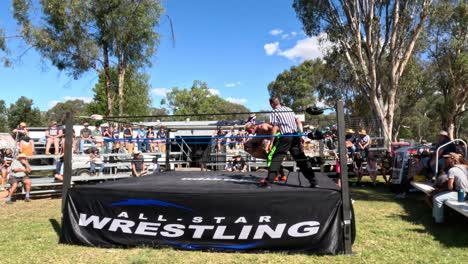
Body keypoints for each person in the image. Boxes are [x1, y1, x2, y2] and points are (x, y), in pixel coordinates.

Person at [261, 96, 316, 188]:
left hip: (286, 137)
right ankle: (313, 180)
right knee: (301, 159)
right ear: (279, 102)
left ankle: (268, 182)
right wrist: (301, 135)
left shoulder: (274, 112)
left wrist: (271, 142)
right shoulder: (289, 109)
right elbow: (298, 121)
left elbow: (275, 127)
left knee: (276, 158)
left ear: (271, 104)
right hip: (295, 136)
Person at [432, 153, 468, 223]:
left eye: (447, 159)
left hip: (462, 194)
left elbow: (450, 187)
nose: (445, 160)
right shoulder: (465, 167)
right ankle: (436, 217)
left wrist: (441, 190)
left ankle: (438, 221)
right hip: (465, 193)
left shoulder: (452, 170)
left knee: (437, 198)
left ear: (451, 160)